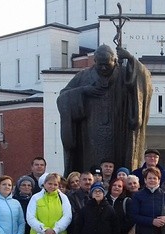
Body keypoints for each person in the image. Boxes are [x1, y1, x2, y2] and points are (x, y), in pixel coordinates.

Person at [57, 44, 152, 174]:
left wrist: (130, 59)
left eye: (107, 64)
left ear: (114, 61)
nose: (103, 68)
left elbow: (143, 79)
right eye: (100, 64)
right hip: (90, 132)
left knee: (119, 163)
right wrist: (83, 91)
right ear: (94, 61)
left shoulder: (124, 74)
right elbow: (63, 97)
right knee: (90, 166)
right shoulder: (83, 77)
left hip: (119, 130)